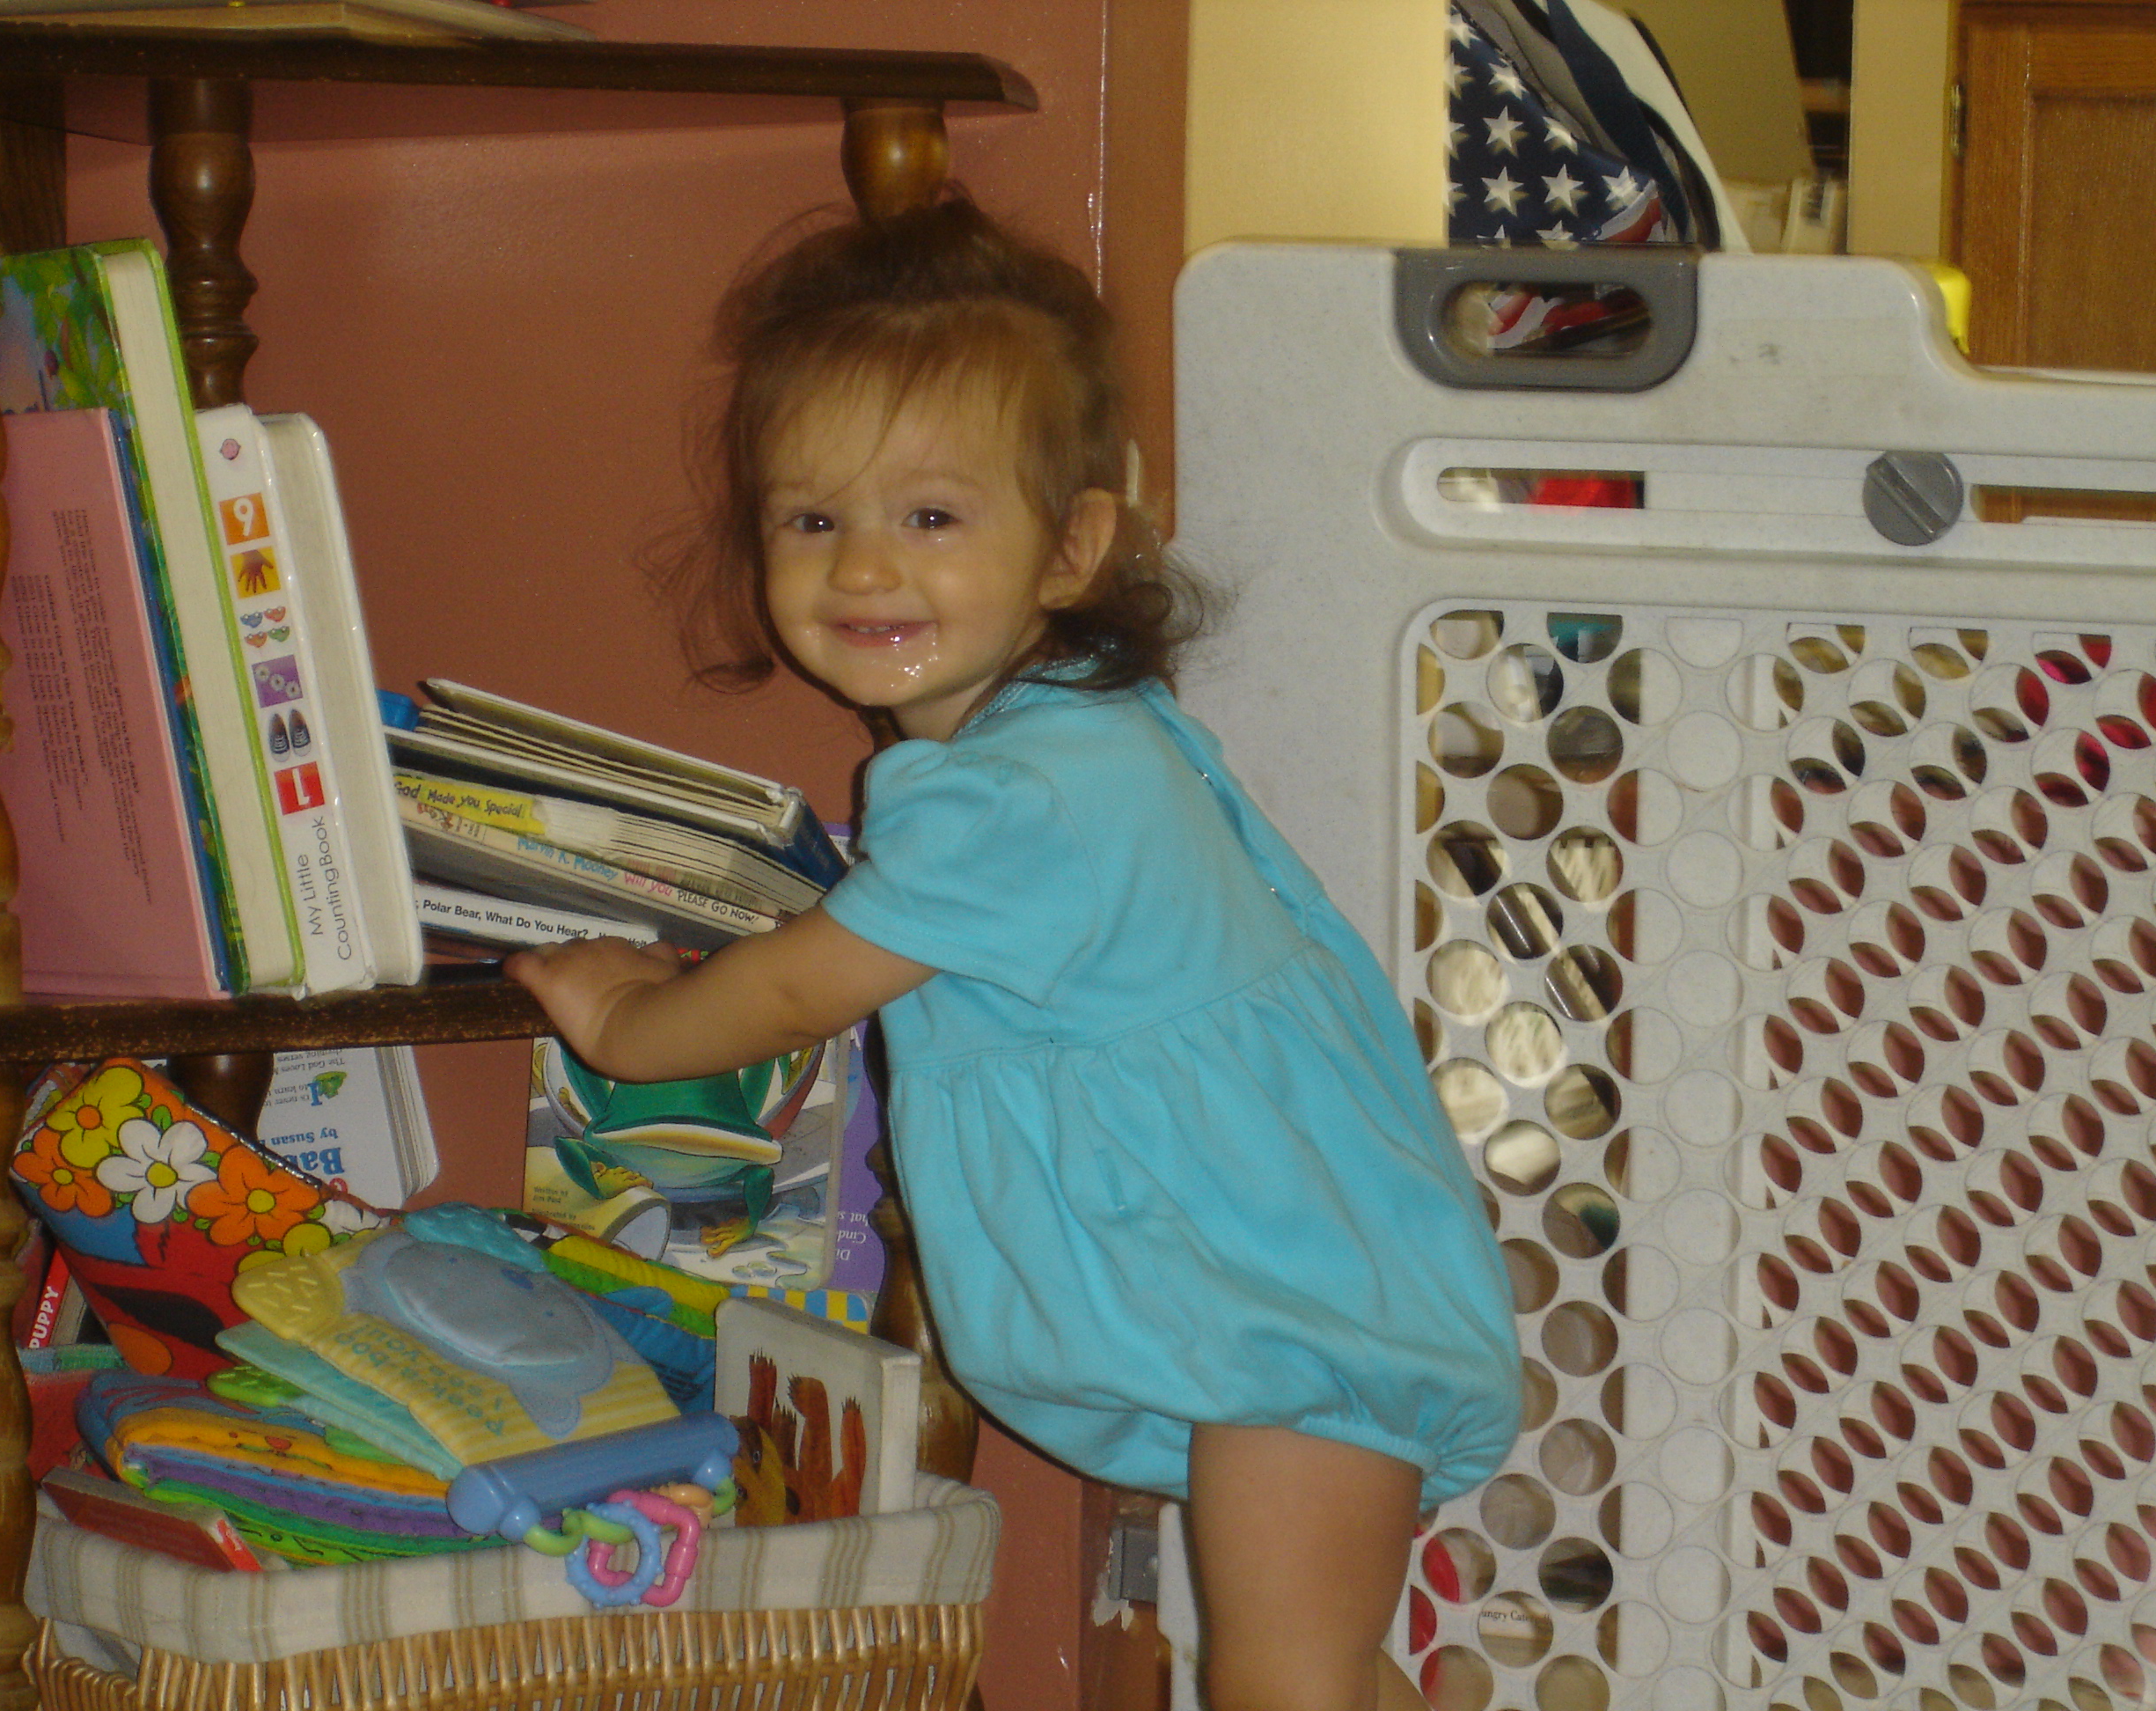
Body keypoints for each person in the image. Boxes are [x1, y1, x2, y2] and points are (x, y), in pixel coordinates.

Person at [507, 194, 1522, 1711]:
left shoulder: (1027, 794)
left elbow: (793, 989)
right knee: (1314, 1673)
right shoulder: (1058, 741)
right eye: (814, 520)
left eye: (931, 517)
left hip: (1296, 1321)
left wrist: (628, 1024)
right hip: (1275, 1292)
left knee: (1282, 1682)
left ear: (1071, 547)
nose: (866, 569)